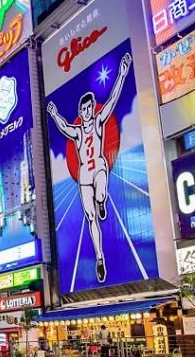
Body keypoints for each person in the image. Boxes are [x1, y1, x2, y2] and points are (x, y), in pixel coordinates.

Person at [46, 52, 131, 283]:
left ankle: (102, 201)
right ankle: (100, 257)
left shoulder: (99, 121)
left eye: (89, 108)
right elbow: (64, 127)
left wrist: (122, 73)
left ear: (93, 108)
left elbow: (113, 99)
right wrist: (54, 115)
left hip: (100, 167)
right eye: (84, 110)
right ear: (80, 111)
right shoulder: (77, 132)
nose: (87, 113)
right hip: (84, 174)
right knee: (91, 217)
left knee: (101, 193)